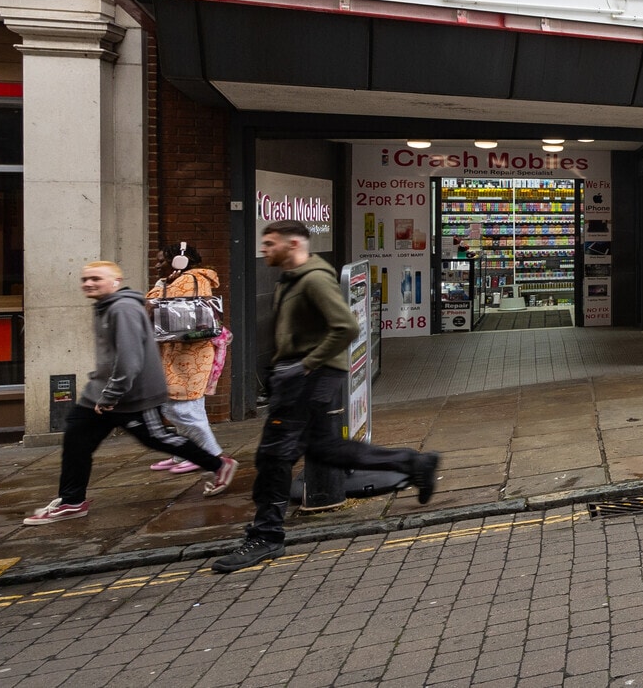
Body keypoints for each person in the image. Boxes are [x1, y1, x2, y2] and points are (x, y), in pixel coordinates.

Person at [212, 220, 439, 573]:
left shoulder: (314, 279)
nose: (265, 249)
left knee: (275, 455)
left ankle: (266, 536)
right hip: (300, 375)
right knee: (326, 449)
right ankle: (413, 464)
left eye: (271, 243)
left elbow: (346, 326)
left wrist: (305, 364)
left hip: (308, 377)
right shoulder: (292, 279)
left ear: (293, 244)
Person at [23, 261, 236, 525]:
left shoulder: (122, 309)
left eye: (96, 279)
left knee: (157, 439)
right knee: (76, 440)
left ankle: (218, 464)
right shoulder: (105, 306)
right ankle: (71, 501)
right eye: (85, 279)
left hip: (133, 394)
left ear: (115, 281)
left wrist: (111, 395)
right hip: (101, 394)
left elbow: (129, 359)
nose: (89, 283)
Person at [145, 242, 225, 473]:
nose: (157, 264)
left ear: (179, 261)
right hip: (179, 352)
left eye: (162, 260)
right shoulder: (178, 280)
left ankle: (209, 455)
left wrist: (161, 286)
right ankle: (184, 454)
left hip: (189, 356)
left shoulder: (189, 280)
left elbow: (152, 305)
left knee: (183, 408)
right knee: (186, 406)